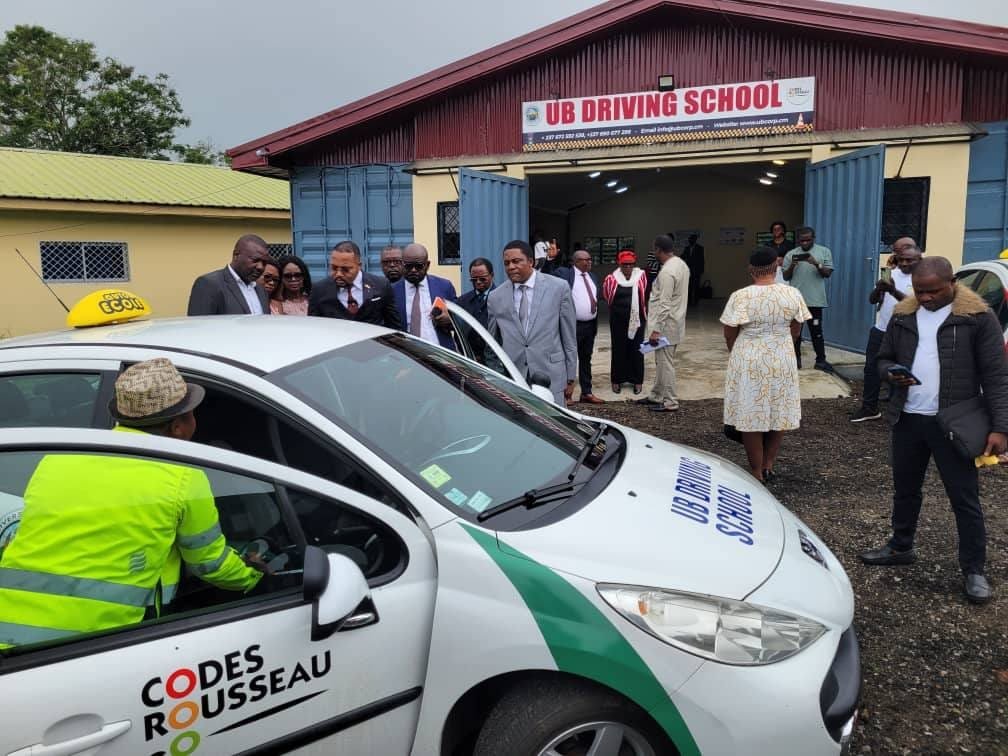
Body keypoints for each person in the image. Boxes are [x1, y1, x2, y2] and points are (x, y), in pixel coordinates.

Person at [0, 358, 263, 647]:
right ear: (178, 427)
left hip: (9, 633)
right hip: (85, 646)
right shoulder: (182, 477)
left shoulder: (56, 460)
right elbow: (210, 564)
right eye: (191, 415)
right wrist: (256, 576)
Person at [861, 257, 1008, 603]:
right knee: (905, 490)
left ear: (952, 282)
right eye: (919, 291)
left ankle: (974, 570)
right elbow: (882, 358)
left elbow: (997, 376)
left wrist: (1001, 427)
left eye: (933, 291)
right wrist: (889, 372)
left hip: (953, 422)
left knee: (964, 497)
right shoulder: (903, 315)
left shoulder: (977, 318)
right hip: (908, 418)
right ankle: (901, 546)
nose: (925, 297)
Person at [720, 247, 812, 482]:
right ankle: (769, 463)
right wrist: (782, 344)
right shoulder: (792, 294)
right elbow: (796, 328)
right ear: (776, 267)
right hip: (781, 356)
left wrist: (737, 352)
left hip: (749, 357)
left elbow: (729, 332)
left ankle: (756, 471)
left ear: (751, 270)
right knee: (778, 408)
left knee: (751, 413)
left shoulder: (740, 296)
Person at [487, 240, 577, 405]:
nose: (511, 267)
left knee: (553, 420)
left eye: (516, 261)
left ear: (531, 261)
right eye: (506, 263)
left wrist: (570, 376)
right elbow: (493, 343)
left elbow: (569, 336)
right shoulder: (495, 297)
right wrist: (498, 376)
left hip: (551, 375)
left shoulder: (558, 288)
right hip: (514, 378)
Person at [851, 238, 922, 422]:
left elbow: (916, 305)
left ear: (918, 258)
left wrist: (892, 291)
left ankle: (902, 409)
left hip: (906, 332)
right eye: (901, 258)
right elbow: (872, 300)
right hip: (881, 329)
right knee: (871, 368)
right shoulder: (890, 274)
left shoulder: (923, 278)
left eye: (909, 259)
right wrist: (879, 289)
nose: (904, 263)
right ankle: (869, 407)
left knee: (904, 370)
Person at [638, 235, 690, 412]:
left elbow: (665, 304)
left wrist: (656, 330)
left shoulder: (667, 272)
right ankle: (656, 395)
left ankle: (670, 402)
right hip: (675, 322)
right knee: (662, 362)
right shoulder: (681, 265)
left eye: (654, 249)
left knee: (665, 364)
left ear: (658, 249)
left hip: (665, 326)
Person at [308, 240, 401, 328]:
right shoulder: (319, 290)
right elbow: (314, 328)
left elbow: (394, 326)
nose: (338, 274)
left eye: (345, 269)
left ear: (359, 266)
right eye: (334, 268)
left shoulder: (381, 286)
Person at [555, 249, 604, 404]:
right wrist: (550, 259)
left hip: (590, 325)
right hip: (573, 325)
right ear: (576, 261)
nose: (589, 262)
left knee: (586, 358)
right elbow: (550, 274)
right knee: (568, 358)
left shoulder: (592, 276)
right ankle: (566, 394)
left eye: (590, 259)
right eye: (585, 259)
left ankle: (586, 392)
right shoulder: (565, 275)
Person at [783, 226, 833, 371]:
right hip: (796, 302)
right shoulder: (791, 254)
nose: (804, 243)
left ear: (813, 239)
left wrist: (816, 263)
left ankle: (821, 361)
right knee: (796, 333)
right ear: (798, 240)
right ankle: (795, 361)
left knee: (816, 331)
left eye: (808, 240)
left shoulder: (824, 251)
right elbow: (785, 276)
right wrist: (792, 265)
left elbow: (827, 273)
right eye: (802, 240)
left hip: (815, 302)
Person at [392, 243, 457, 349]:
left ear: (427, 265)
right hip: (405, 353)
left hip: (440, 352)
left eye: (418, 266)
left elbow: (459, 323)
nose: (413, 270)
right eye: (408, 266)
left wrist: (450, 320)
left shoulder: (444, 286)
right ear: (402, 264)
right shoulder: (392, 291)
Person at [187, 234, 271, 316]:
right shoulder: (208, 284)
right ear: (236, 255)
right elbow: (199, 324)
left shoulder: (261, 290)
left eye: (264, 263)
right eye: (255, 260)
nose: (260, 267)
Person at [602, 250, 648, 395]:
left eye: (630, 264)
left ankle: (637, 381)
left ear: (634, 264)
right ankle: (617, 380)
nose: (628, 267)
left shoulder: (641, 276)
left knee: (637, 350)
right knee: (618, 349)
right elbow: (607, 296)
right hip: (618, 320)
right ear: (619, 264)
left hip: (637, 320)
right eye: (625, 264)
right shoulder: (611, 279)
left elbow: (646, 295)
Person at [457, 257, 496, 328]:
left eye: (482, 279)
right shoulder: (462, 301)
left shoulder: (502, 299)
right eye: (474, 279)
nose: (478, 282)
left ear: (492, 275)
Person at [682, 234, 705, 306]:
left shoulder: (700, 248)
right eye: (689, 240)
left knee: (696, 286)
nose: (690, 241)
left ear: (695, 240)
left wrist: (701, 270)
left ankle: (695, 301)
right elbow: (683, 256)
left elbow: (702, 260)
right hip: (688, 270)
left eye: (692, 239)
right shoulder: (687, 248)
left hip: (697, 270)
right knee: (689, 286)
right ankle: (689, 302)